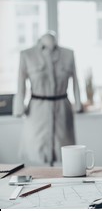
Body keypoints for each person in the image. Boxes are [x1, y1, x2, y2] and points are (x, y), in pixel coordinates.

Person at [13, 31, 83, 165]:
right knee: (39, 149)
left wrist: (78, 105)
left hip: (62, 107)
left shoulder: (68, 54)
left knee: (64, 149)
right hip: (38, 110)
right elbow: (20, 85)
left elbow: (76, 81)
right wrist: (19, 108)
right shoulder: (27, 55)